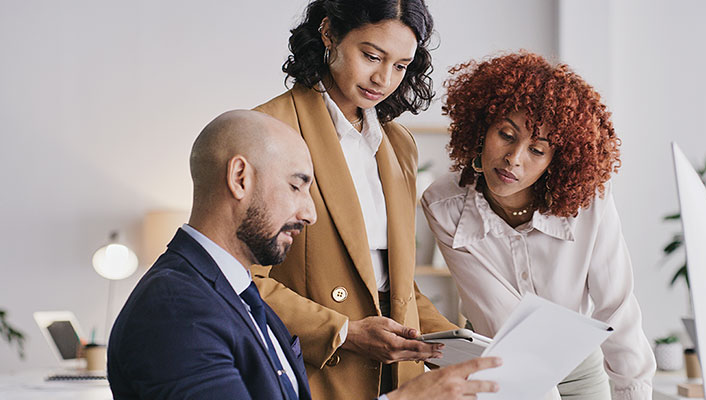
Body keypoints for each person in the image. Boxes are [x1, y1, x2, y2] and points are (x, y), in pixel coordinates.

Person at [107, 110, 500, 400]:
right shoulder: (176, 309)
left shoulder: (239, 295)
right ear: (240, 178)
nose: (310, 214)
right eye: (297, 187)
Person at [251, 1, 457, 399]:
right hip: (316, 372)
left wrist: (461, 345)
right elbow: (241, 279)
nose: (383, 78)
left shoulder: (398, 144)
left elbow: (395, 285)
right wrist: (343, 332)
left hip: (399, 375)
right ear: (328, 32)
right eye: (372, 56)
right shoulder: (270, 130)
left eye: (401, 66)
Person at [421, 52, 657, 400]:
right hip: (497, 365)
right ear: (482, 127)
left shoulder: (589, 202)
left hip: (581, 371)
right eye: (506, 134)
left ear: (556, 162)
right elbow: (497, 316)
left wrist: (633, 392)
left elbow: (617, 308)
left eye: (537, 150)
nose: (513, 159)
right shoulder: (444, 205)